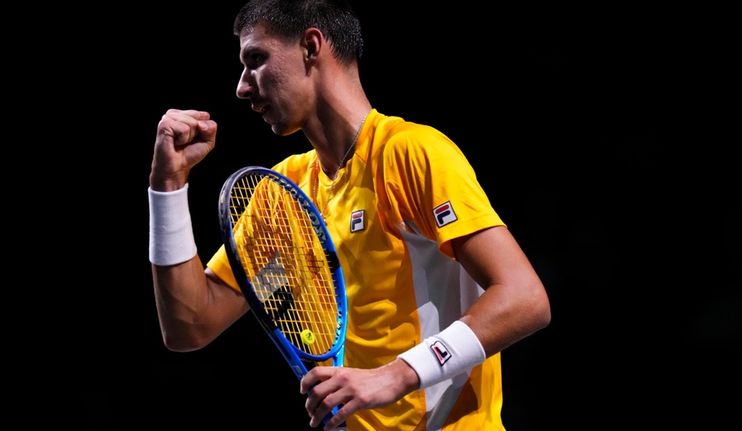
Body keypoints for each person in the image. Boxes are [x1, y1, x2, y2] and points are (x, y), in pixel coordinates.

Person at [148, 0, 550, 429]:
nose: (242, 88)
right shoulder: (283, 195)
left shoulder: (408, 153)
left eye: (256, 60)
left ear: (311, 46)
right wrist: (166, 187)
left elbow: (524, 298)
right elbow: (191, 324)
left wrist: (399, 374)